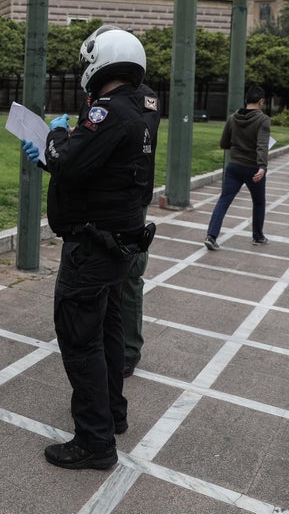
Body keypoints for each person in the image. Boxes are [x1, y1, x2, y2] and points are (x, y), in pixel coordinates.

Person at [21, 25, 155, 470]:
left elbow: (69, 161)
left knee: (80, 341)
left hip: (93, 247)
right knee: (108, 333)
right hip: (117, 244)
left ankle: (94, 442)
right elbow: (97, 170)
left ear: (102, 61)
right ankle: (112, 413)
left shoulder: (107, 111)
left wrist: (53, 138)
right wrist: (53, 153)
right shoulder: (139, 109)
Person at [122, 84, 160, 378]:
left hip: (131, 198)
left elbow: (140, 136)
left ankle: (128, 350)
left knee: (131, 274)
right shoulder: (101, 93)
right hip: (102, 199)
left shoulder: (144, 96)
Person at [204, 86, 271, 250]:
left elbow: (223, 143)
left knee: (224, 200)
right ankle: (258, 236)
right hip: (253, 168)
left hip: (234, 167)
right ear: (261, 101)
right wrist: (262, 167)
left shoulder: (232, 118)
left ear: (246, 100)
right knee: (259, 202)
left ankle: (211, 236)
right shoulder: (263, 120)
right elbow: (262, 146)